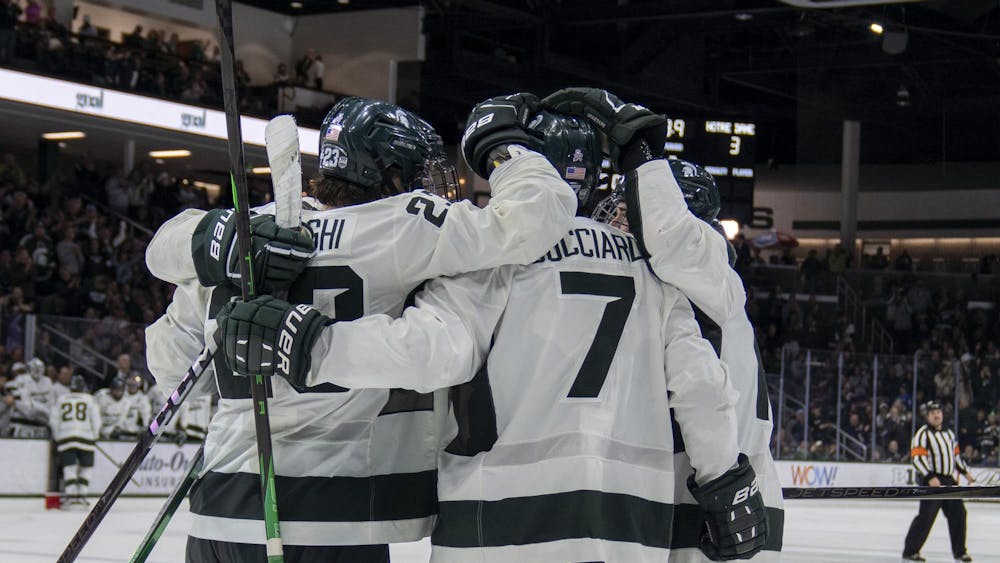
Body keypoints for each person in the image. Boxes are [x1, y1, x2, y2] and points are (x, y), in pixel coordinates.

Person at [216, 109, 766, 562]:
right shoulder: (654, 272)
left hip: (494, 518)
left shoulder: (494, 257)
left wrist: (314, 343)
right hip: (631, 522)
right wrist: (724, 479)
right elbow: (702, 389)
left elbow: (433, 349)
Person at [144, 94, 577, 562]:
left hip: (221, 515)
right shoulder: (403, 224)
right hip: (340, 516)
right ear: (387, 172)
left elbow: (173, 368)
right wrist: (501, 145)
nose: (427, 184)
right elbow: (535, 217)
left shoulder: (241, 237)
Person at [545, 87, 783, 561]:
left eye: (629, 215)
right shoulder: (716, 284)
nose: (617, 225)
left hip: (713, 500)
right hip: (727, 492)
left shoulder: (694, 281)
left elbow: (700, 394)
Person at [903, 401, 974, 562]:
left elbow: (955, 457)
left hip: (948, 480)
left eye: (939, 412)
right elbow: (917, 458)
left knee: (959, 514)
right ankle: (909, 552)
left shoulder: (949, 433)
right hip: (932, 480)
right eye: (933, 412)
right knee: (926, 517)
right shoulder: (922, 434)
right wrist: (929, 477)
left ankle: (960, 553)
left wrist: (965, 472)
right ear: (927, 416)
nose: (937, 415)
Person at [49, 374, 100, 508]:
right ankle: (82, 496)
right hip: (86, 438)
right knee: (86, 467)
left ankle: (71, 497)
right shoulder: (90, 399)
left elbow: (54, 420)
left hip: (66, 437)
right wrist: (95, 435)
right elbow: (96, 420)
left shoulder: (61, 399)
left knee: (69, 467)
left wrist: (58, 436)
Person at [8, 358, 54, 438]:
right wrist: (43, 409)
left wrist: (34, 404)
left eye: (39, 368)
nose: (37, 370)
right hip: (22, 427)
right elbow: (27, 409)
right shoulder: (20, 380)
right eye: (34, 368)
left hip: (41, 428)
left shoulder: (48, 381)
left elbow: (51, 406)